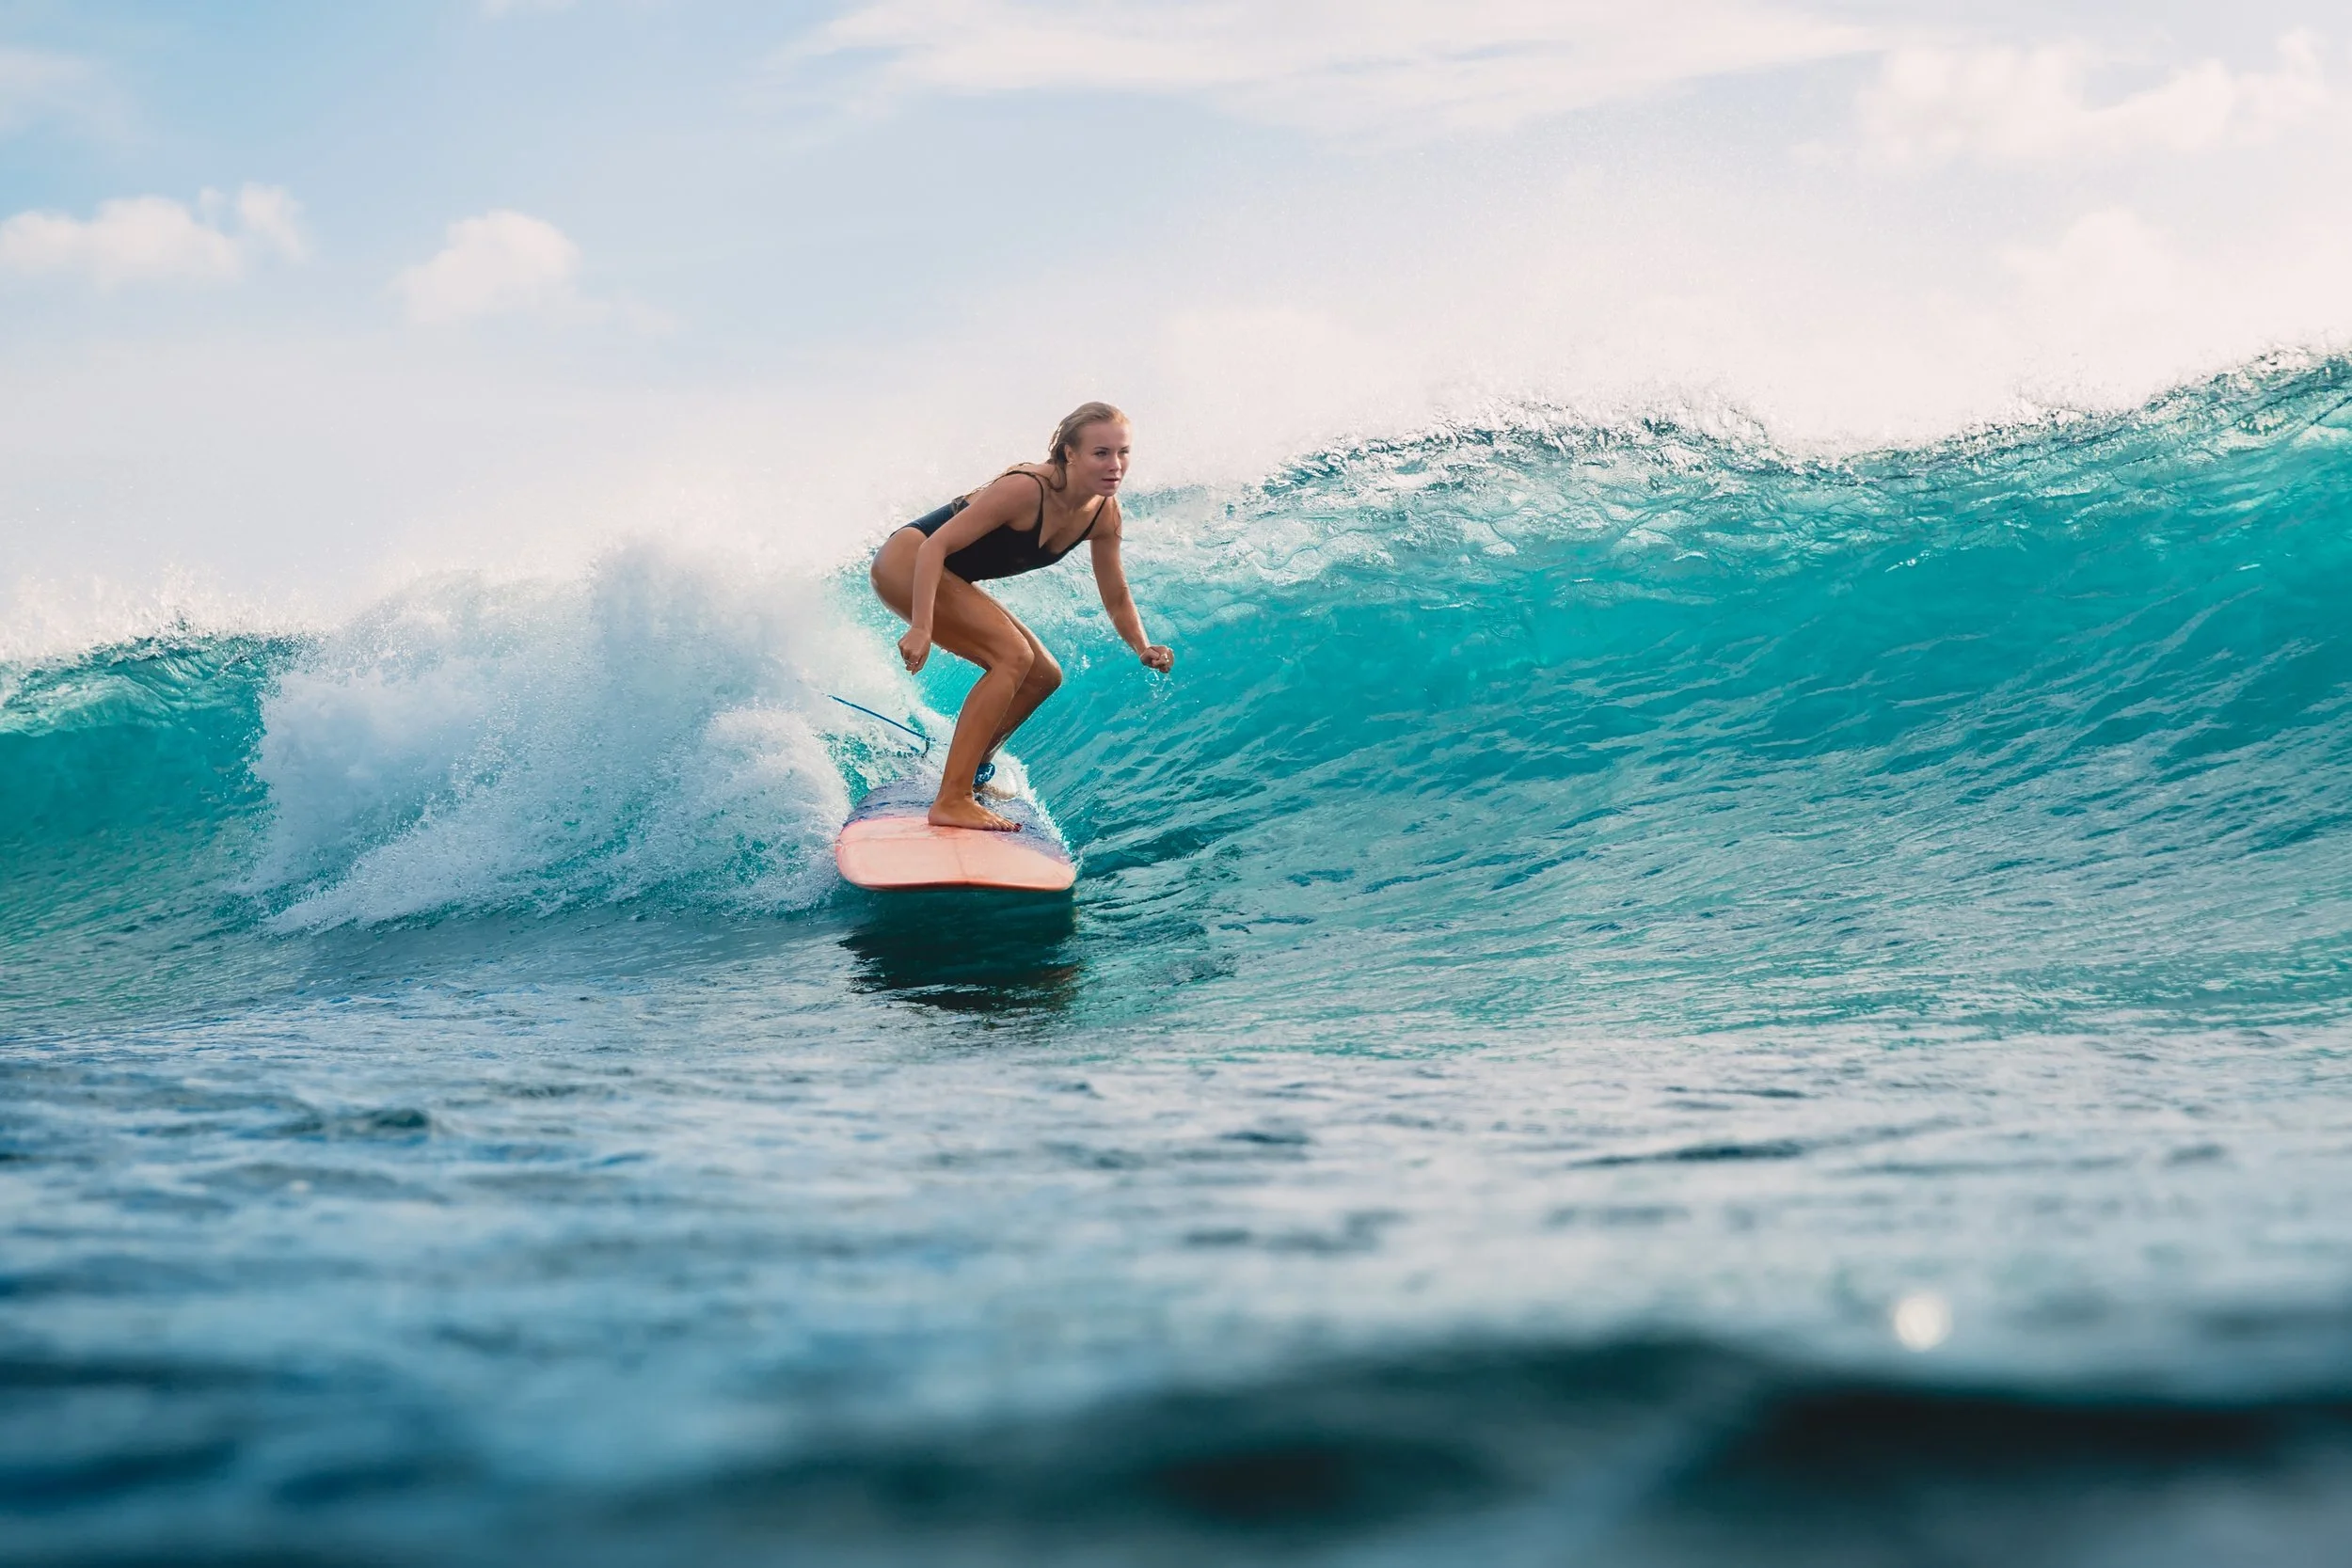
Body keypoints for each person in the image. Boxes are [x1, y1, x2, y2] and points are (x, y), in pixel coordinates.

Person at [869, 402, 1174, 831]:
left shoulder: (1104, 514)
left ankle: (970, 773)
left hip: (949, 575)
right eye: (1101, 453)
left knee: (1043, 675)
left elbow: (1116, 593)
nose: (1116, 464)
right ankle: (951, 799)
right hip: (908, 562)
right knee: (1012, 656)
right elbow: (933, 547)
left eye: (1123, 452)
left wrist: (1142, 646)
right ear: (1070, 454)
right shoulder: (1026, 489)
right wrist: (921, 626)